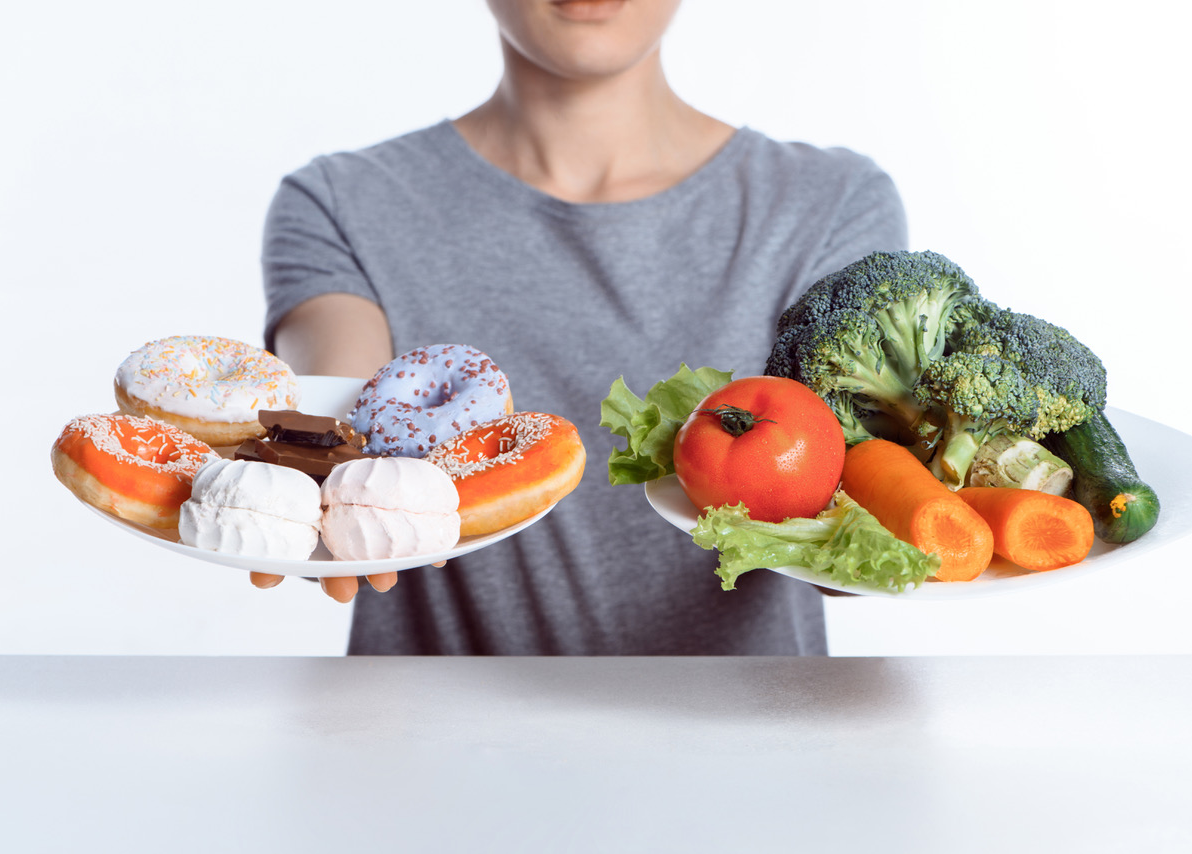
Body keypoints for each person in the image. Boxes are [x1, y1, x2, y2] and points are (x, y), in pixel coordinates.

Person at [251, 0, 906, 654]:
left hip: (750, 741)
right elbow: (339, 422)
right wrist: (306, 503)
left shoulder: (830, 204)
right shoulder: (343, 204)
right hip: (437, 744)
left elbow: (857, 534)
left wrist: (902, 528)